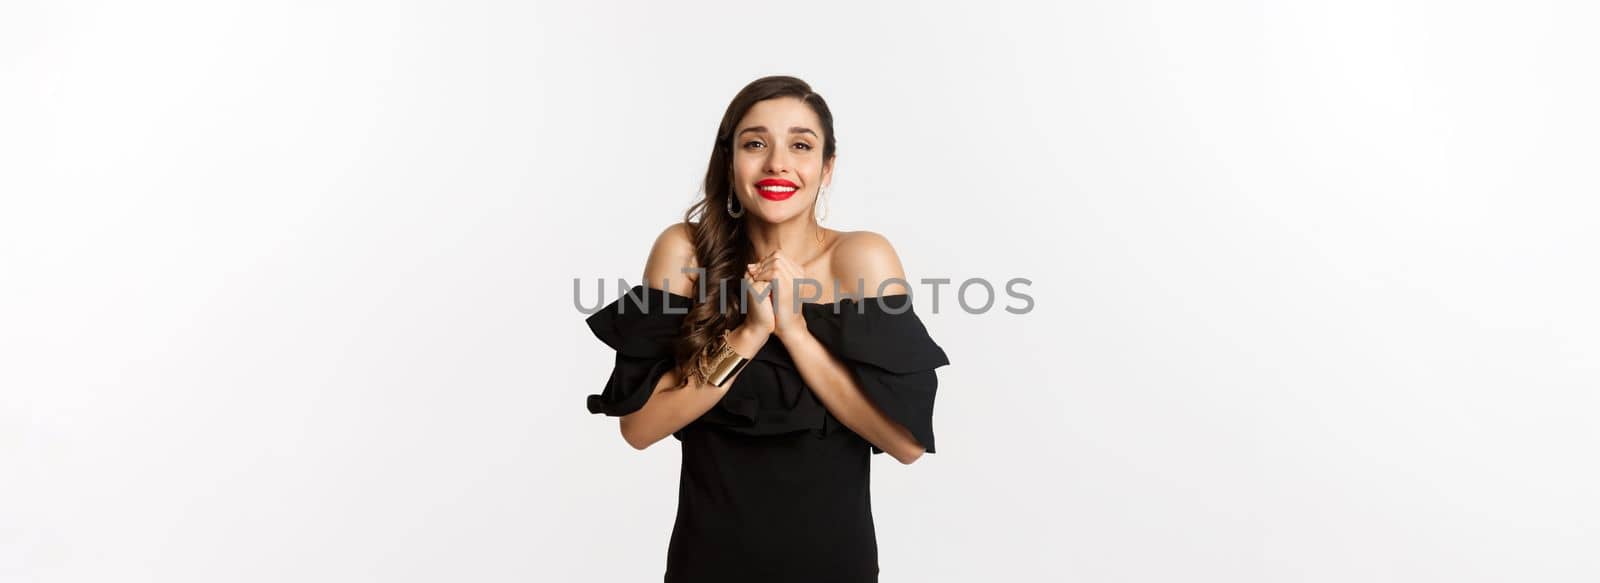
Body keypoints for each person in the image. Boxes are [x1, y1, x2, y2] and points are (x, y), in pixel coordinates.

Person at [583, 75, 950, 582]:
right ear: (729, 160)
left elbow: (905, 445)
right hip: (706, 563)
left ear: (826, 168)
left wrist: (795, 330)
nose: (777, 163)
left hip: (833, 564)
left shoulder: (861, 258)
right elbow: (640, 427)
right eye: (755, 143)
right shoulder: (684, 252)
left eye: (801, 145)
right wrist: (749, 334)